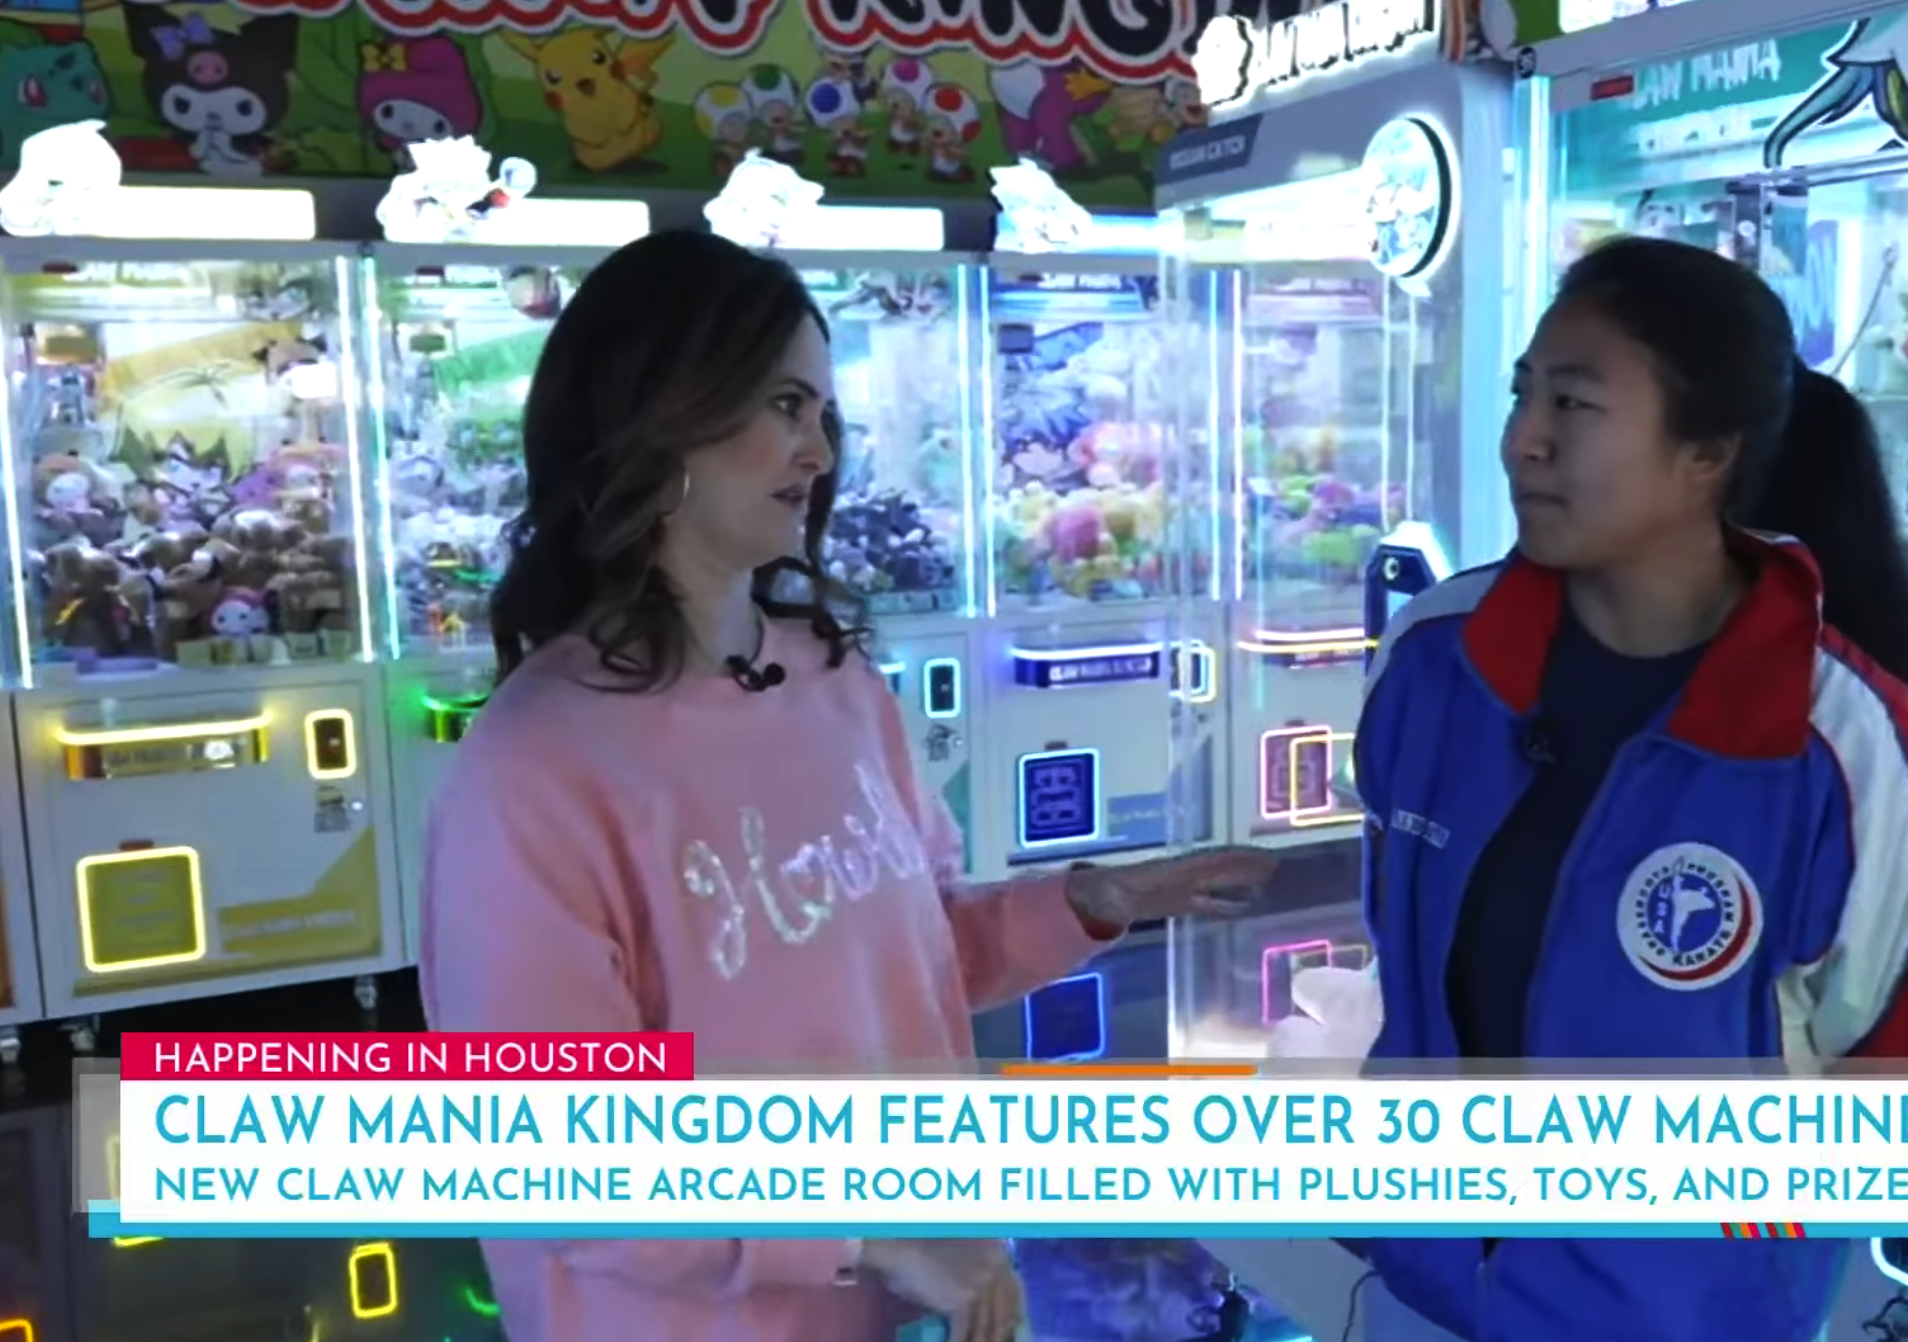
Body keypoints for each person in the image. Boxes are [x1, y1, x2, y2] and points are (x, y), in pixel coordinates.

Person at [417, 230, 1276, 1342]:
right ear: (660, 414)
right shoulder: (536, 768)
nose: (817, 451)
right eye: (781, 406)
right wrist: (859, 1237)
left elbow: (923, 957)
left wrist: (1093, 902)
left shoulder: (835, 680)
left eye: (824, 414)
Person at [1349, 236, 1908, 1342]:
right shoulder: (1432, 659)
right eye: (1522, 393)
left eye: (1575, 402)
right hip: (1417, 1288)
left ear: (1705, 455)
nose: (1525, 439)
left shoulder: (1842, 746)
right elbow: (1403, 950)